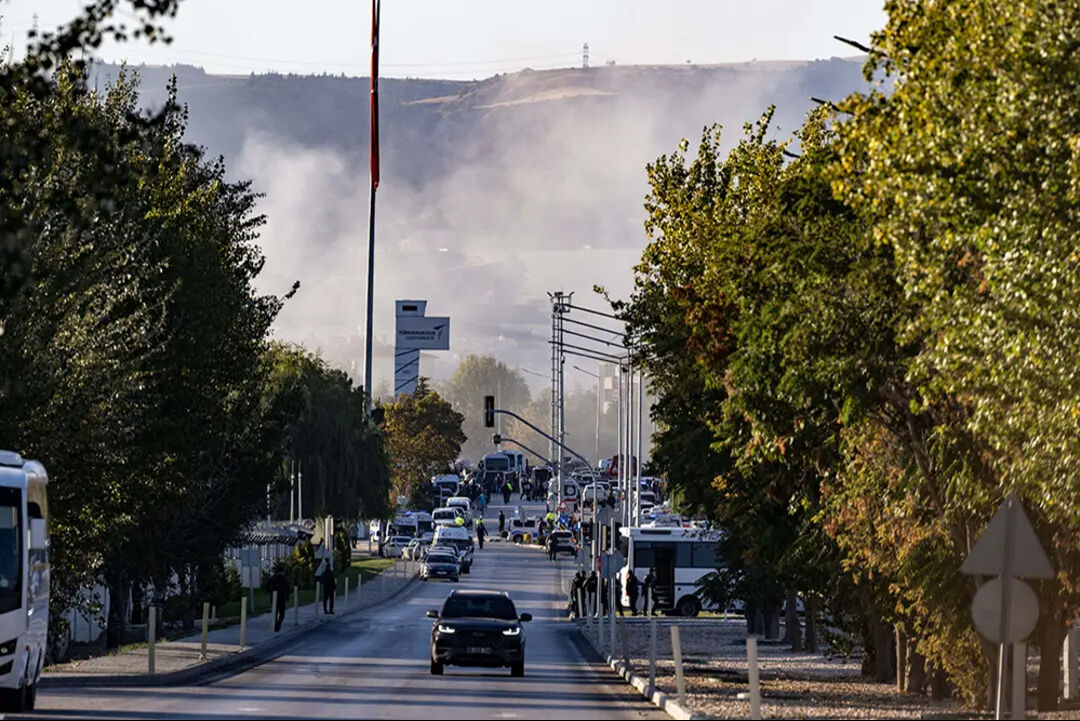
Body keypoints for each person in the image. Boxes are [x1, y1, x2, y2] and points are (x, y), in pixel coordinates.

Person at [267, 563, 290, 632]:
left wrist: (272, 590)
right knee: (282, 613)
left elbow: (267, 586)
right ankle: (278, 624)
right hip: (281, 598)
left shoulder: (272, 578)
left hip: (274, 598)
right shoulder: (284, 579)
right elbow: (287, 589)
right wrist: (287, 597)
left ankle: (275, 624)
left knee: (275, 612)